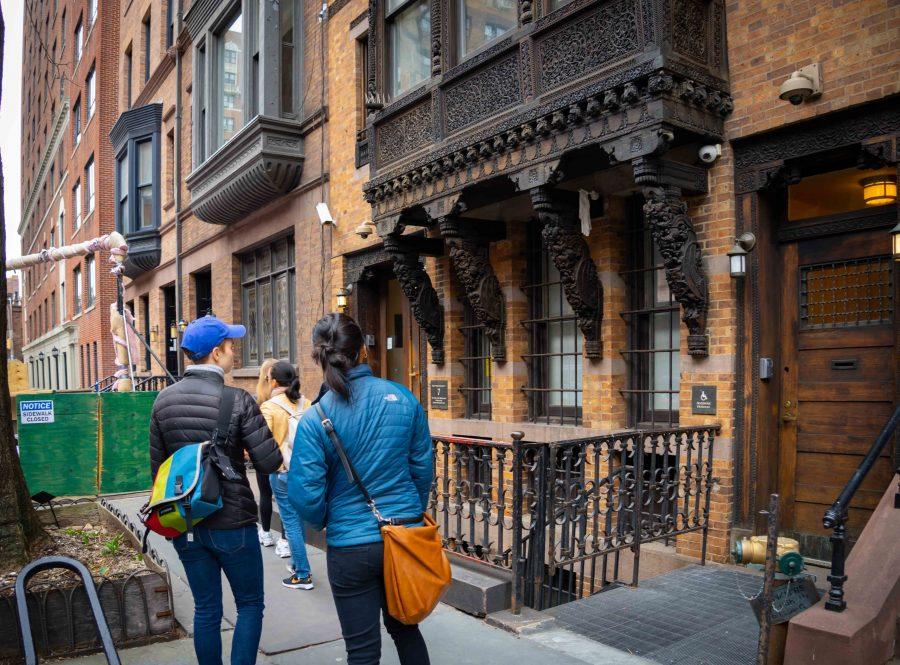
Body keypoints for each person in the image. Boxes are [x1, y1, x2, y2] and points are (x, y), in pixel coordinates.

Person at [289, 313, 433, 665]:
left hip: (351, 545)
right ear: (363, 352)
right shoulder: (402, 398)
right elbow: (422, 471)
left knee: (362, 650)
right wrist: (409, 514)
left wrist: (329, 519)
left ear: (319, 357)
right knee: (406, 629)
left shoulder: (315, 417)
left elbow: (305, 495)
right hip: (403, 535)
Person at [149, 315, 282, 665]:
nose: (234, 352)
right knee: (250, 604)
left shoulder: (163, 400)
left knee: (206, 608)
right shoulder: (237, 399)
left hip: (186, 522)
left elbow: (158, 470)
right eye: (230, 345)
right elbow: (269, 462)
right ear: (216, 352)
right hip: (233, 521)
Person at [260, 361, 314, 590]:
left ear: (273, 381)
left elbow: (264, 442)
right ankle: (296, 562)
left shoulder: (270, 407)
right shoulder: (308, 404)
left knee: (290, 520)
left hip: (283, 472)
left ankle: (302, 575)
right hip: (307, 472)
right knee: (297, 519)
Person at [253, 360, 278, 550]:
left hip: (263, 452)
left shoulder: (258, 400)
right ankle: (285, 540)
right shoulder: (289, 398)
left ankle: (267, 532)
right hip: (283, 454)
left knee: (265, 494)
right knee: (285, 499)